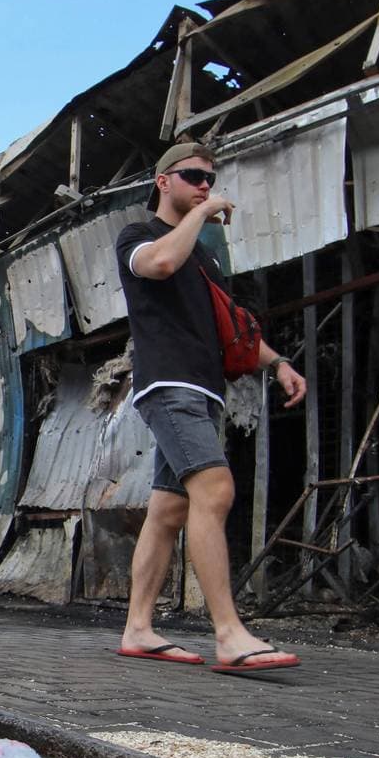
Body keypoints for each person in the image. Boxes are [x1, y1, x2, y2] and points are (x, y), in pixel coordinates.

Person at [114, 141, 308, 673]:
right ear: (163, 182)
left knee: (169, 509)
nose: (205, 185)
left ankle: (138, 627)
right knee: (214, 487)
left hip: (205, 388)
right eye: (194, 176)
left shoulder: (202, 256)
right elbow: (158, 264)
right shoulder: (141, 236)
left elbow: (232, 326)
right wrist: (202, 213)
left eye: (209, 179)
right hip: (169, 386)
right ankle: (229, 633)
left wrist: (279, 362)